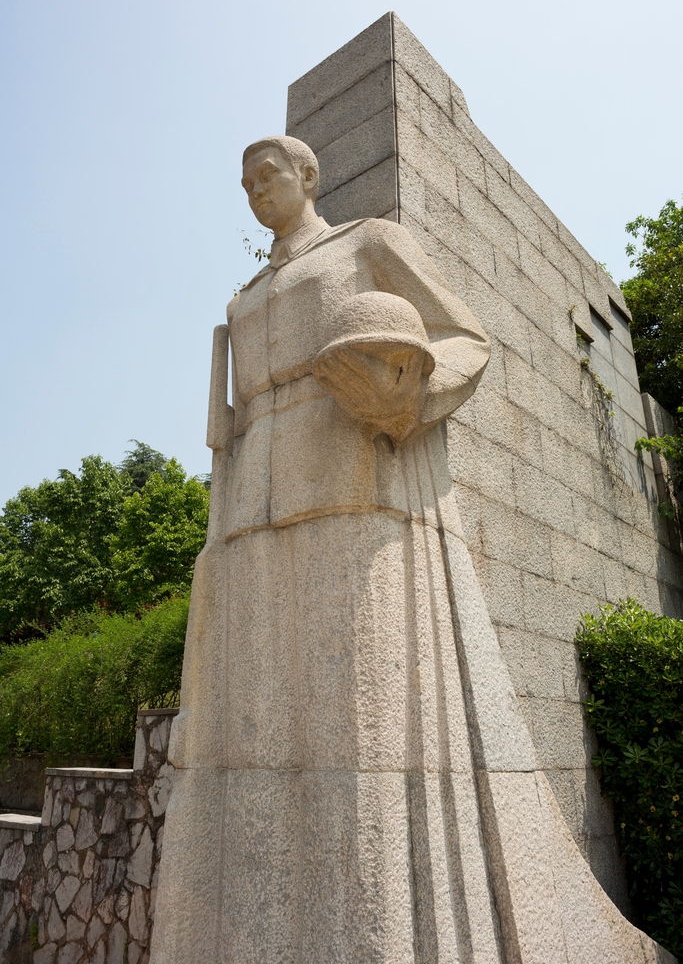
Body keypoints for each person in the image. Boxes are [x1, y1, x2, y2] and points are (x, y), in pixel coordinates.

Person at [150, 137, 670, 964]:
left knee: (358, 709)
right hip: (252, 497)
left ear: (308, 176)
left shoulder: (366, 241)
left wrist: (412, 393)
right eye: (244, 183)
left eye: (268, 175)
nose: (255, 191)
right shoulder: (246, 294)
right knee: (257, 716)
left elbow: (466, 336)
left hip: (352, 467)